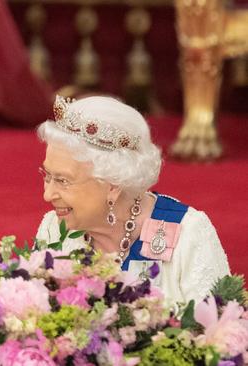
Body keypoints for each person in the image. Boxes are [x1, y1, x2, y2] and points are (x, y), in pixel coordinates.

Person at [35, 95, 230, 304]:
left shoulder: (188, 234)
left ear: (112, 185)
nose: (48, 194)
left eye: (63, 180)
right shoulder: (54, 229)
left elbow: (219, 329)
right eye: (47, 175)